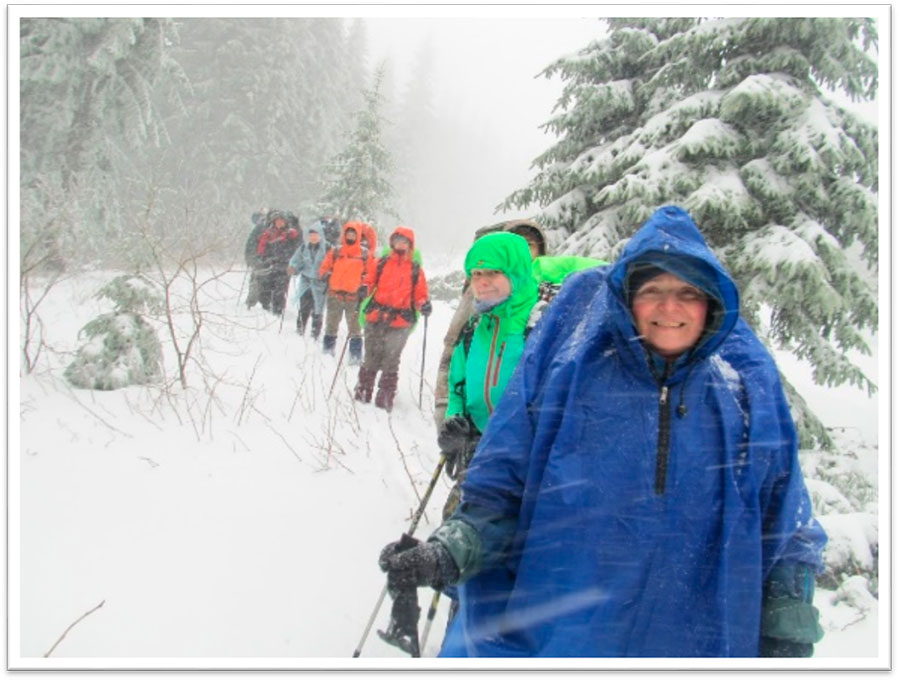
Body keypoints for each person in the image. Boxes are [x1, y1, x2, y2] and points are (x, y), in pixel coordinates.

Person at [378, 205, 827, 657]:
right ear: (627, 297)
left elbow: (786, 518)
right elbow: (501, 492)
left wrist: (787, 626)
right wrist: (450, 551)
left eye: (688, 292)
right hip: (566, 639)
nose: (669, 308)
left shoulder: (742, 394)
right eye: (652, 291)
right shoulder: (572, 377)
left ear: (710, 301)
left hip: (696, 643)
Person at [433, 220, 547, 430]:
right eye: (476, 273)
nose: (482, 282)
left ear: (516, 271)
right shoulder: (475, 326)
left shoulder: (543, 323)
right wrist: (452, 418)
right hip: (476, 446)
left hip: (527, 452)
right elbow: (457, 382)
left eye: (493, 272)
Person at [354, 226, 431, 411]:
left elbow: (420, 294)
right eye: (397, 240)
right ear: (392, 242)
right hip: (376, 317)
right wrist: (364, 287)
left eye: (404, 241)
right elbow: (369, 280)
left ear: (410, 245)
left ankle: (385, 397)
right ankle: (363, 391)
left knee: (391, 358)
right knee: (371, 356)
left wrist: (424, 304)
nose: (400, 244)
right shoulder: (381, 262)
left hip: (400, 321)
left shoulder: (415, 269)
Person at [318, 220, 374, 363]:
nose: (350, 236)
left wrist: (365, 287)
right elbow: (324, 268)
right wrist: (325, 275)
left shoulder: (364, 254)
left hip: (354, 298)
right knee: (331, 326)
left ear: (358, 236)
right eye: (348, 233)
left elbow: (371, 275)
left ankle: (355, 358)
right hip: (334, 295)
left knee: (355, 329)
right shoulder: (336, 251)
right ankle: (327, 355)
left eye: (353, 234)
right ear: (344, 234)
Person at [287, 221, 328, 339]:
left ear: (321, 235)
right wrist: (293, 269)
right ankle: (299, 332)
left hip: (320, 285)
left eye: (315, 234)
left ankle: (315, 335)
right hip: (306, 283)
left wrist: (327, 275)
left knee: (317, 310)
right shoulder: (304, 247)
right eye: (311, 235)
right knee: (304, 309)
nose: (313, 237)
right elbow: (296, 261)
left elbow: (333, 265)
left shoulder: (328, 248)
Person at [255, 210, 300, 315]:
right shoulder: (268, 233)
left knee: (280, 290)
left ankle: (278, 310)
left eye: (281, 221)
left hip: (283, 265)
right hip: (270, 264)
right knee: (266, 287)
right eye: (277, 221)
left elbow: (296, 247)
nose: (279, 223)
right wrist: (262, 258)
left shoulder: (291, 234)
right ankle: (265, 306)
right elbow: (261, 247)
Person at [243, 208, 269, 309]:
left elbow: (250, 244)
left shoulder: (259, 228)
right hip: (259, 258)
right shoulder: (260, 228)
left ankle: (252, 301)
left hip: (259, 258)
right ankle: (253, 301)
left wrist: (249, 257)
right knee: (257, 279)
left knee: (256, 279)